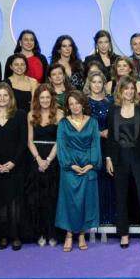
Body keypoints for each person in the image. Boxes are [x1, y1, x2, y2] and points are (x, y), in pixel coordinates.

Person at [104, 77, 140, 248]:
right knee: (121, 196)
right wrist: (109, 158)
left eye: (132, 88)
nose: (129, 91)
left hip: (139, 156)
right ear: (120, 90)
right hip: (119, 157)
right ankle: (123, 233)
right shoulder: (113, 109)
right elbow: (111, 136)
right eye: (126, 88)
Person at [0, 83, 28, 251]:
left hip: (15, 165)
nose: (2, 99)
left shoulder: (20, 115)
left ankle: (15, 235)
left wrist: (13, 162)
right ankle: (2, 235)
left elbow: (23, 141)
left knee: (15, 201)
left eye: (5, 95)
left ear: (11, 98)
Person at [56, 91, 101, 252]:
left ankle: (82, 234)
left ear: (83, 103)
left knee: (85, 202)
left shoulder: (93, 122)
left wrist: (92, 164)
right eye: (71, 104)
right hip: (70, 168)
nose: (75, 106)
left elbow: (95, 144)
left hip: (88, 167)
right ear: (68, 107)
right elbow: (62, 146)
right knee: (70, 202)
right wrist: (70, 165)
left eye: (77, 103)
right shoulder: (63, 123)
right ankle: (69, 235)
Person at [26, 84, 62, 246]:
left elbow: (60, 141)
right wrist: (38, 159)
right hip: (35, 159)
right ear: (37, 99)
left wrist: (48, 160)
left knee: (52, 198)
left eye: (48, 97)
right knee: (37, 199)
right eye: (42, 98)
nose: (45, 100)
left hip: (53, 160)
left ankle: (52, 233)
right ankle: (40, 233)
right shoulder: (31, 115)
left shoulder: (60, 115)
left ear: (52, 98)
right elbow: (29, 141)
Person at [84, 72, 116, 226]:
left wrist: (110, 131)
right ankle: (94, 218)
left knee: (110, 180)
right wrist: (98, 133)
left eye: (99, 82)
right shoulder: (84, 103)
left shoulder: (111, 101)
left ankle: (109, 217)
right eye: (93, 82)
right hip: (91, 146)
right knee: (94, 181)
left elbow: (117, 121)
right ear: (89, 84)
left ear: (104, 84)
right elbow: (80, 125)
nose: (97, 85)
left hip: (110, 146)